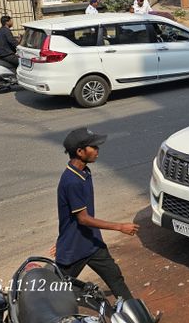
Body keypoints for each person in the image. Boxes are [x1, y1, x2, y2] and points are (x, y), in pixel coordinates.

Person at [54, 128, 138, 301]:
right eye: (93, 147)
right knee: (54, 291)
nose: (97, 150)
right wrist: (120, 227)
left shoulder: (84, 172)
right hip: (74, 249)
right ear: (80, 151)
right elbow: (83, 219)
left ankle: (134, 312)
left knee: (115, 277)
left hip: (92, 243)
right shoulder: (72, 181)